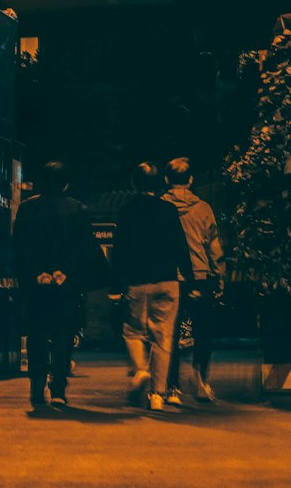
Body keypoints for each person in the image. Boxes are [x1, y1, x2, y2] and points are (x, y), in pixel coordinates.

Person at [13, 160, 109, 409]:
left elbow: (20, 246)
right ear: (66, 184)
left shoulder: (26, 208)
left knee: (37, 333)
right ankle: (58, 390)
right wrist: (64, 271)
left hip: (36, 286)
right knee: (63, 335)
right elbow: (85, 246)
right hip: (66, 285)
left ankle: (36, 386)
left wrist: (37, 272)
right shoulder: (78, 209)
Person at [111, 162, 193, 412]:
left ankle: (140, 370)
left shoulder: (126, 210)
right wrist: (190, 279)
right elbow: (180, 246)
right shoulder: (168, 210)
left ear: (134, 184)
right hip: (168, 281)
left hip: (137, 282)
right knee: (164, 338)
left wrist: (116, 284)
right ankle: (157, 395)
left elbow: (120, 249)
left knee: (133, 332)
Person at [162, 157, 225, 403]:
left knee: (170, 332)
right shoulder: (203, 209)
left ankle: (171, 386)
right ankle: (201, 380)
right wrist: (220, 276)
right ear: (190, 180)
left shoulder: (161, 206)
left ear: (166, 180)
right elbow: (214, 246)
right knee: (203, 331)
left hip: (170, 277)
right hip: (200, 277)